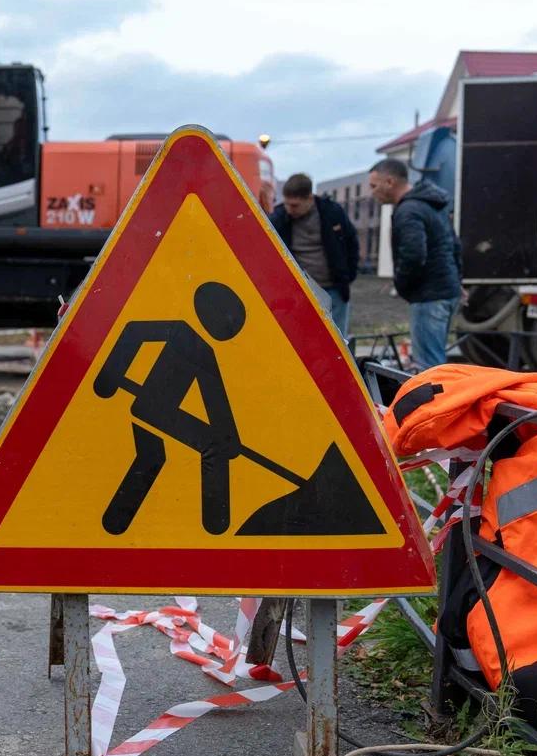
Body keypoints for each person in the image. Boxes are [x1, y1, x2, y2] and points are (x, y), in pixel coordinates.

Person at [93, 282, 245, 537]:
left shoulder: (194, 344)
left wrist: (108, 378)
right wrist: (107, 379)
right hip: (156, 410)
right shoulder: (188, 339)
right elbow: (133, 332)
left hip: (148, 408)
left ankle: (114, 523)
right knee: (214, 448)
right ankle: (216, 524)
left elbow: (214, 399)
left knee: (151, 457)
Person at [368, 159, 462, 370]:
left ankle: (438, 404)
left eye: (374, 186)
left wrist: (402, 286)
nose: (372, 192)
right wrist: (457, 281)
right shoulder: (432, 205)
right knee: (436, 360)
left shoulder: (409, 210)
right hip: (446, 290)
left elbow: (413, 254)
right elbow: (454, 245)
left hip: (429, 295)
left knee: (429, 368)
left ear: (390, 182)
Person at [268, 173, 359, 336]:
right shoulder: (279, 219)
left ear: (310, 198)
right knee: (302, 340)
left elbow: (352, 243)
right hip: (300, 294)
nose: (290, 210)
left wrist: (347, 276)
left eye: (295, 205)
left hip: (334, 290)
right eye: (287, 204)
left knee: (337, 342)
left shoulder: (332, 212)